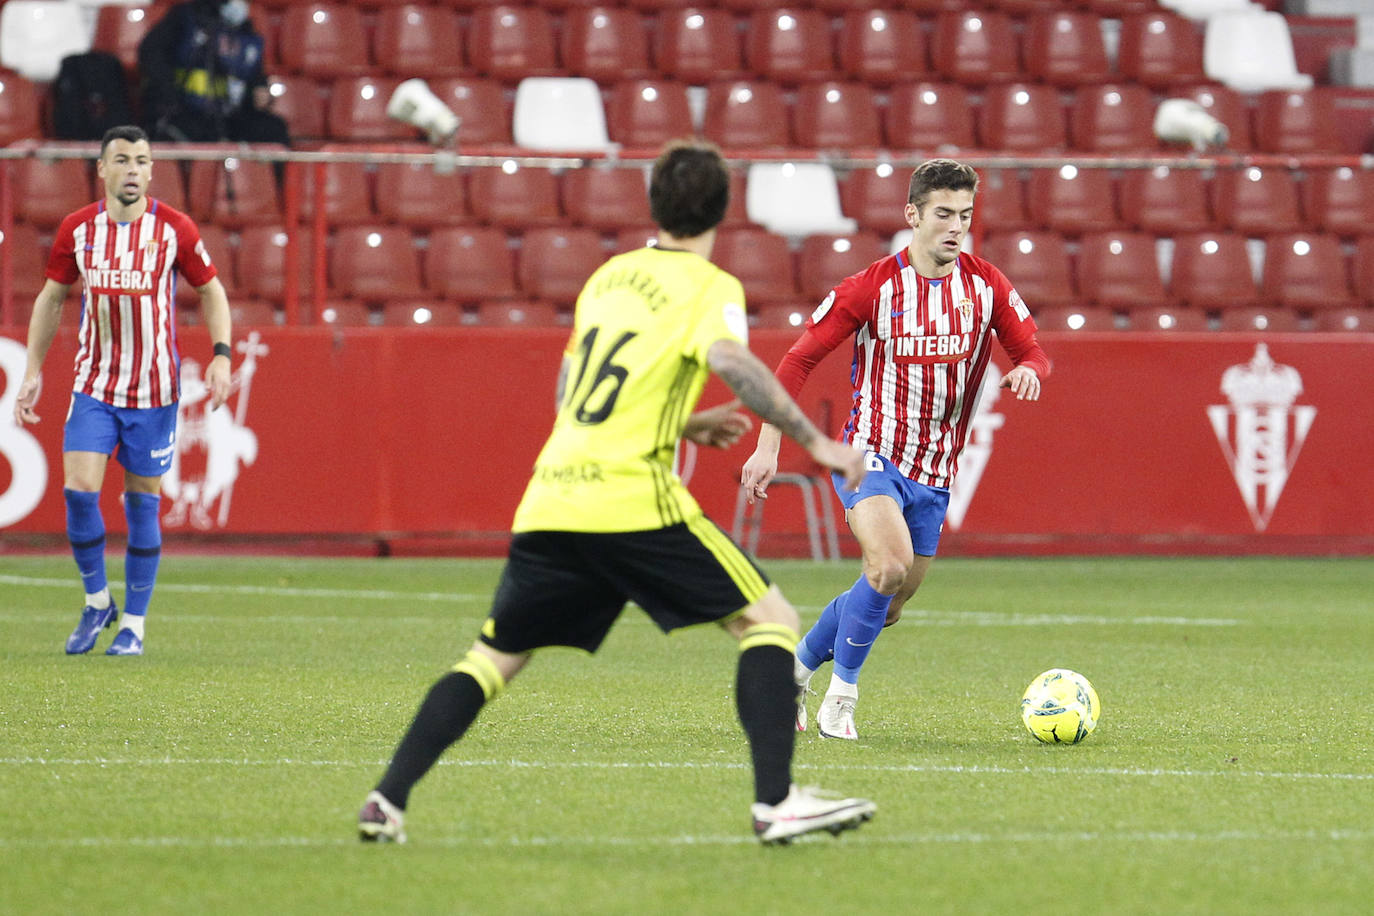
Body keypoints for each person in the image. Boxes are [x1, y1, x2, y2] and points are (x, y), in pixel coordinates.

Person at [358, 140, 876, 846]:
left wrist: (682, 421)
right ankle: (776, 804)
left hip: (553, 495)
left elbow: (574, 390)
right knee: (771, 623)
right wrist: (815, 443)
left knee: (492, 659)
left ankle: (387, 800)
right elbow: (730, 360)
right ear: (723, 209)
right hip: (631, 498)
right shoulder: (709, 286)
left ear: (653, 205)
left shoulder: (607, 278)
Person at [741, 158, 1052, 741]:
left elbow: (1030, 350)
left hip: (936, 470)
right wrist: (769, 446)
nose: (956, 227)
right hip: (871, 453)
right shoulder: (871, 288)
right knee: (887, 566)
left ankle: (792, 673)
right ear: (913, 215)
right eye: (943, 214)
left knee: (891, 599)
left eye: (965, 215)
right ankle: (842, 701)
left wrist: (1030, 371)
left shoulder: (986, 286)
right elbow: (797, 360)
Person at [11, 125, 234, 656]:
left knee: (142, 504)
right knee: (79, 490)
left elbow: (212, 291)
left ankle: (133, 624)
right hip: (95, 384)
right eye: (123, 160)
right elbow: (51, 297)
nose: (133, 169)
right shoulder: (78, 230)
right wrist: (32, 371)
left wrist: (222, 357)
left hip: (154, 391)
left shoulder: (174, 229)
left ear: (152, 170)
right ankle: (96, 602)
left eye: (142, 160)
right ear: (102, 169)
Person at [137, 0, 290, 147]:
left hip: (230, 117)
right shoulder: (185, 17)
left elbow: (254, 77)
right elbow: (150, 52)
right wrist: (168, 91)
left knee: (273, 130)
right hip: (186, 110)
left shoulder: (247, 34)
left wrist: (259, 90)